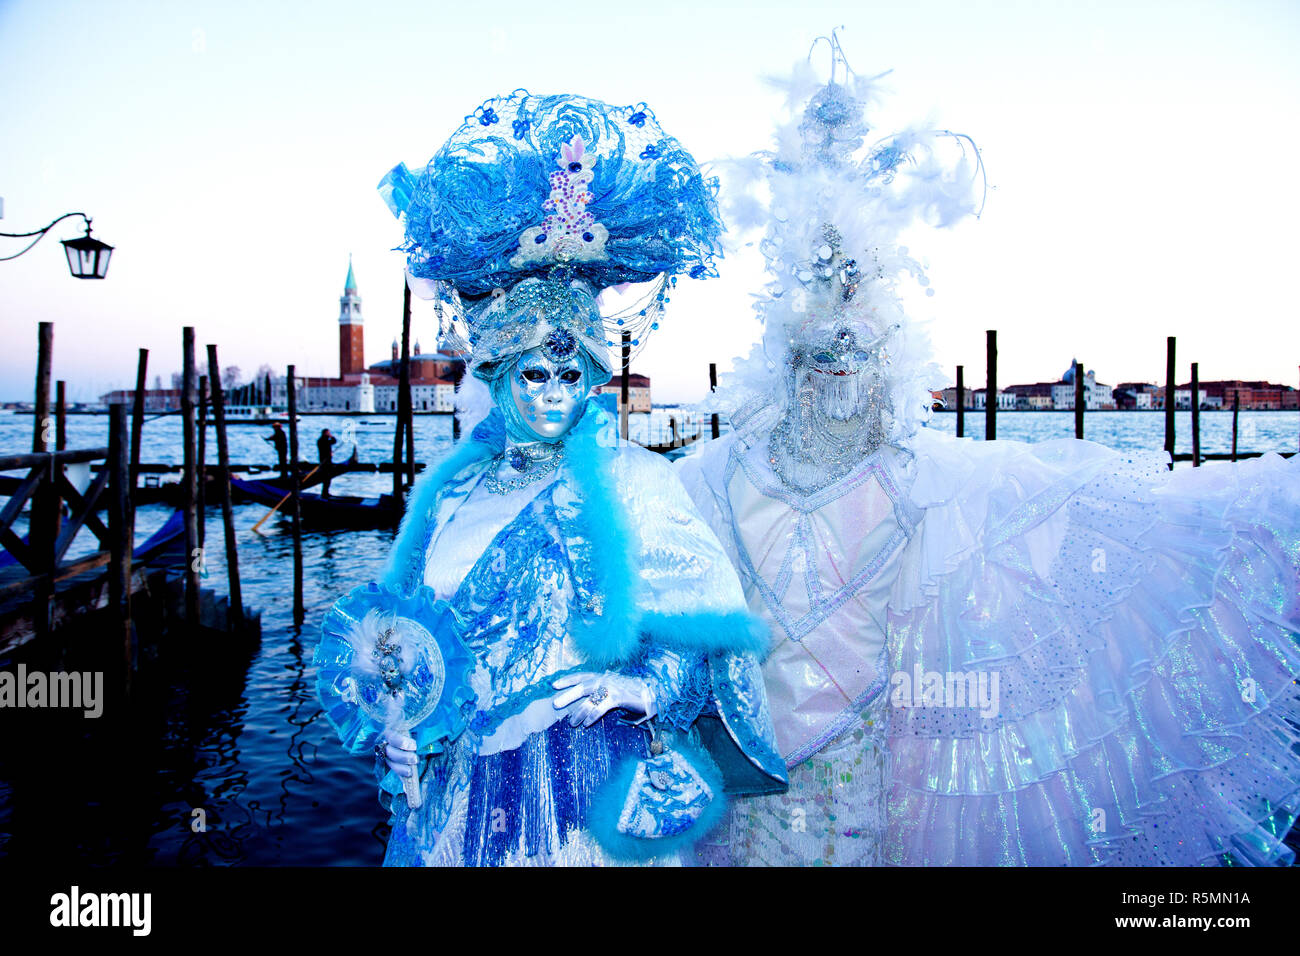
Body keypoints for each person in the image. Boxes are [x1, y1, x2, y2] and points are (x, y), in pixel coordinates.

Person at [677, 38, 1300, 866]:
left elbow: (1079, 506)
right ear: (782, 349)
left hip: (868, 771)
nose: (837, 363)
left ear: (886, 355)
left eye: (857, 348)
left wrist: (1260, 510)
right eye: (819, 348)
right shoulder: (709, 478)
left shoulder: (924, 474)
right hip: (743, 784)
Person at [315, 91, 786, 867]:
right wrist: (405, 741)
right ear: (497, 375)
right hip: (456, 808)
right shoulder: (450, 496)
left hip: (579, 803)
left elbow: (699, 636)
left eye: (573, 373)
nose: (553, 393)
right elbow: (414, 653)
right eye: (533, 373)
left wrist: (639, 692)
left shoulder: (633, 483)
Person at [316, 428, 337, 497]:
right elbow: (324, 448)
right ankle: (324, 493)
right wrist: (329, 453)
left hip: (328, 460)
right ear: (324, 433)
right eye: (328, 433)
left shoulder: (326, 440)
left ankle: (326, 492)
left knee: (328, 478)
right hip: (324, 461)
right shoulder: (321, 440)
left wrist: (331, 436)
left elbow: (334, 441)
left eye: (329, 433)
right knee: (326, 477)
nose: (329, 434)